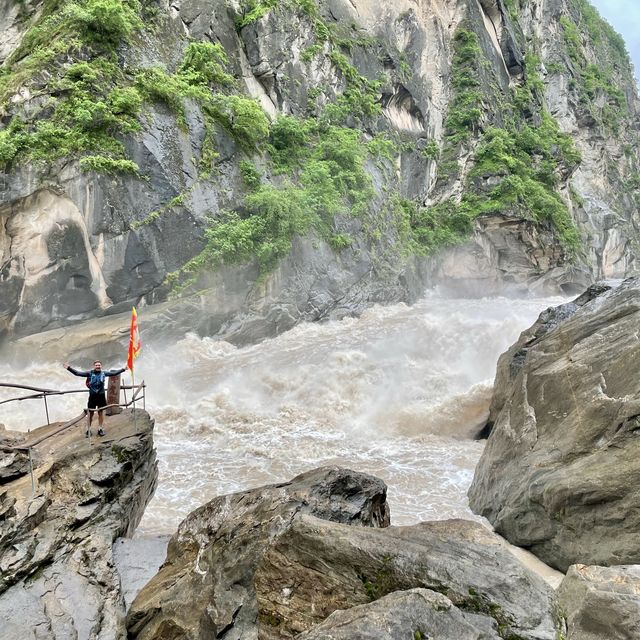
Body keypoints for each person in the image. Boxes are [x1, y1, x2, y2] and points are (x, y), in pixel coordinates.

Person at [63, 360, 126, 437]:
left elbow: (114, 373)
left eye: (99, 365)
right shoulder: (89, 373)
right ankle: (88, 429)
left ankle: (100, 428)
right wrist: (69, 368)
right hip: (92, 397)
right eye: (96, 365)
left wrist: (123, 369)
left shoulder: (104, 373)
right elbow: (77, 373)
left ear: (101, 366)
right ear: (94, 366)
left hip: (101, 397)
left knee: (100, 412)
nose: (98, 366)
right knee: (91, 413)